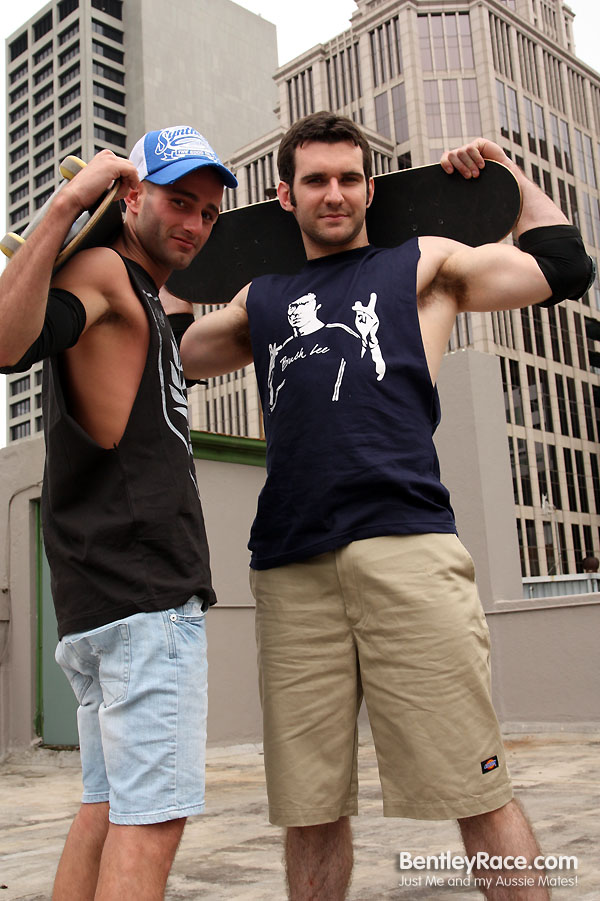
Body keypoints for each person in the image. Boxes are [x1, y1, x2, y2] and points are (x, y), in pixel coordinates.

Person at [179, 112, 593, 900]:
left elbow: (563, 267)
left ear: (370, 188)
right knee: (309, 808)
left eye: (348, 178)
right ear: (286, 196)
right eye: (315, 180)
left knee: (478, 788)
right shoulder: (262, 300)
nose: (334, 194)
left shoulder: (424, 265)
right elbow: (175, 355)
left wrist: (508, 175)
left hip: (408, 547)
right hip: (292, 568)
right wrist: (161, 245)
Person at [0, 126, 237, 901]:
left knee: (106, 808)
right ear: (131, 197)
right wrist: (68, 203)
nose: (194, 223)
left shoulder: (141, 295)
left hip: (108, 599)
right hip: (144, 596)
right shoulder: (104, 270)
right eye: (179, 201)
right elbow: (6, 342)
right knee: (150, 819)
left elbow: (195, 331)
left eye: (207, 212)